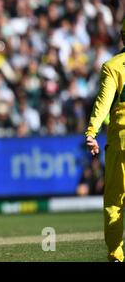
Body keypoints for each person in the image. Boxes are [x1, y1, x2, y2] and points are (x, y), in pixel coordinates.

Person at [85, 19, 125, 262]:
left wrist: (92, 131)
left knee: (115, 201)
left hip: (121, 139)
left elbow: (103, 102)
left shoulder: (113, 66)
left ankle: (116, 256)